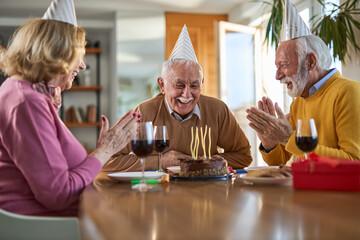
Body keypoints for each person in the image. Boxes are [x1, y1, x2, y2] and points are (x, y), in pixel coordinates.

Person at [0, 0, 138, 217]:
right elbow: (58, 194)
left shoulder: (24, 92)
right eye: (79, 54)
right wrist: (105, 151)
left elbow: (50, 164)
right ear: (56, 52)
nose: (83, 65)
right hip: (46, 227)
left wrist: (52, 107)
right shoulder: (27, 101)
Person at [103, 25, 252, 172]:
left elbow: (244, 156)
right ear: (162, 85)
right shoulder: (144, 112)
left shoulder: (218, 110)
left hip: (206, 193)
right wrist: (161, 161)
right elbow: (107, 160)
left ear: (201, 84)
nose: (187, 95)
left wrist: (200, 162)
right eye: (179, 85)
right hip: (160, 193)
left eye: (194, 86)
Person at [246, 0, 360, 165]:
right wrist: (269, 142)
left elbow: (354, 162)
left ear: (311, 62)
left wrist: (287, 137)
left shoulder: (348, 92)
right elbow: (278, 161)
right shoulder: (298, 103)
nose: (277, 76)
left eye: (283, 65)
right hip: (305, 187)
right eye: (277, 67)